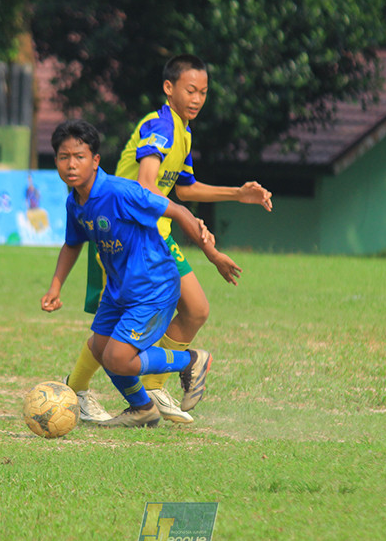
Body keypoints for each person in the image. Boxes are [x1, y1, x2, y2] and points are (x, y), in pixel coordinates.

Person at [66, 54, 273, 424]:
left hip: (153, 238)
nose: (197, 99)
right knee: (107, 334)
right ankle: (75, 391)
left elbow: (187, 188)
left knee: (195, 310)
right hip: (123, 236)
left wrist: (237, 194)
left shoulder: (183, 131)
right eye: (190, 90)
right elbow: (147, 184)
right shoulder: (160, 126)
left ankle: (154, 389)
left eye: (204, 92)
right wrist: (206, 244)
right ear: (169, 88)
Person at [41, 119, 241, 427]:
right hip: (119, 290)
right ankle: (143, 410)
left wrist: (213, 255)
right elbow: (72, 245)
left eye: (79, 157)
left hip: (152, 285)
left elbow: (178, 211)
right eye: (64, 157)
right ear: (55, 161)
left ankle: (192, 361)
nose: (71, 164)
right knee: (100, 347)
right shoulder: (75, 203)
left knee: (117, 357)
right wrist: (55, 289)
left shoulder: (121, 192)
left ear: (95, 161)